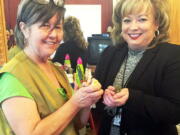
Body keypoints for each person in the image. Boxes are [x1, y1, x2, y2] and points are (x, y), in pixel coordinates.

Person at [0, 0, 103, 135]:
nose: (54, 35)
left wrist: (87, 100)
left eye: (58, 27)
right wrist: (75, 102)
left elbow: (77, 124)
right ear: (24, 29)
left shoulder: (57, 71)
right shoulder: (12, 77)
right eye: (45, 25)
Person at [94, 0, 180, 135]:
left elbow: (175, 111)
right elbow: (97, 99)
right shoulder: (109, 53)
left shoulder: (173, 55)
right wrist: (103, 96)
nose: (133, 27)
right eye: (127, 20)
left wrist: (132, 98)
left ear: (156, 23)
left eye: (142, 19)